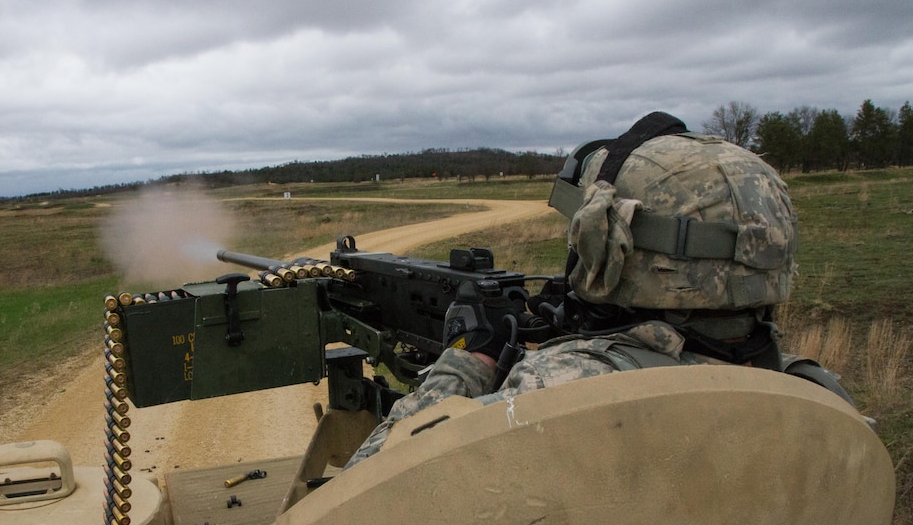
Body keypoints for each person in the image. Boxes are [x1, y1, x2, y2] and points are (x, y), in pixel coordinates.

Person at [345, 111, 850, 469]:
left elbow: (355, 506)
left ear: (618, 250)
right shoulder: (814, 395)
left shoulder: (561, 393)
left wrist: (464, 367)